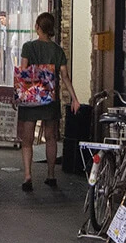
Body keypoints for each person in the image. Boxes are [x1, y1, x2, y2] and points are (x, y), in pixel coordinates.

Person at [17, 11, 81, 191]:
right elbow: (65, 76)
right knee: (51, 137)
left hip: (31, 99)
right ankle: (51, 175)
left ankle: (28, 175)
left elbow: (23, 71)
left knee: (27, 139)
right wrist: (75, 99)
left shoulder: (28, 47)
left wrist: (19, 95)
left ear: (38, 27)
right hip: (50, 98)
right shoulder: (57, 50)